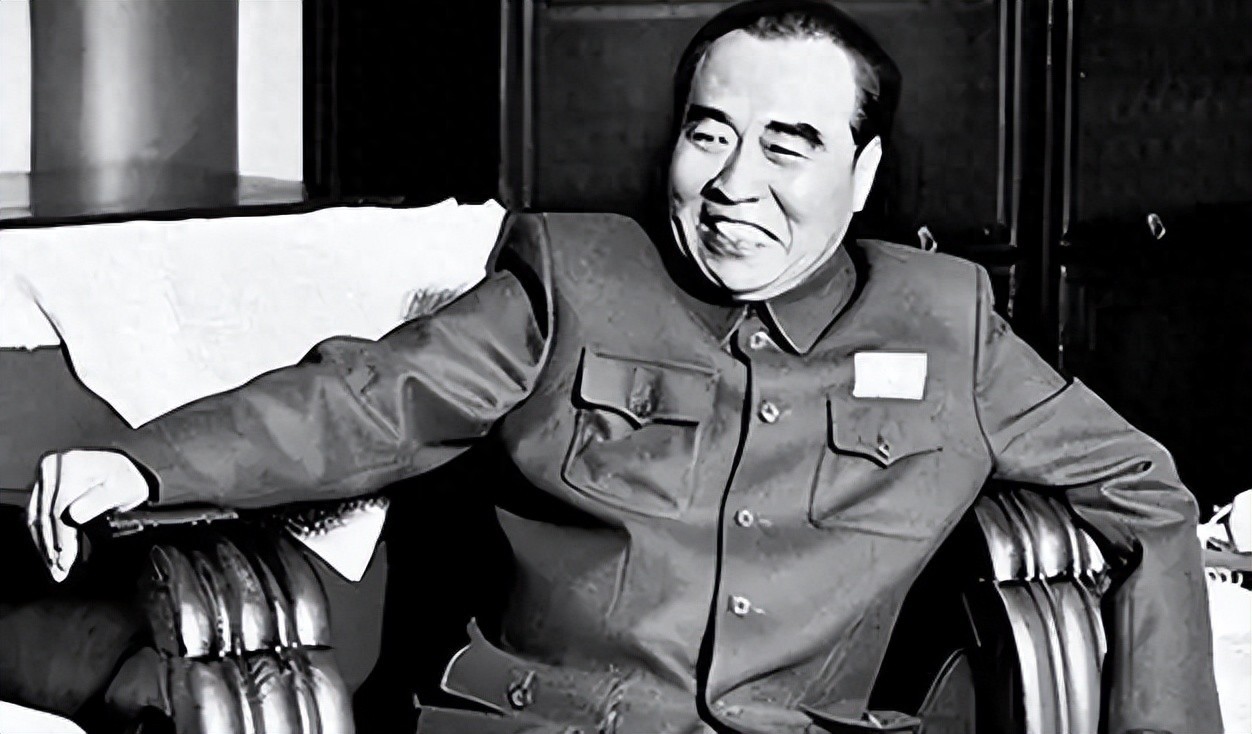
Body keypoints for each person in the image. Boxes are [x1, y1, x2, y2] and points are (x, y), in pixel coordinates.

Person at [25, 1, 1222, 732]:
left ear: (861, 176)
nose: (735, 184)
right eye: (710, 133)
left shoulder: (946, 324)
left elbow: (1146, 490)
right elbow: (372, 397)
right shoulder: (573, 275)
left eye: (790, 146)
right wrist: (146, 464)